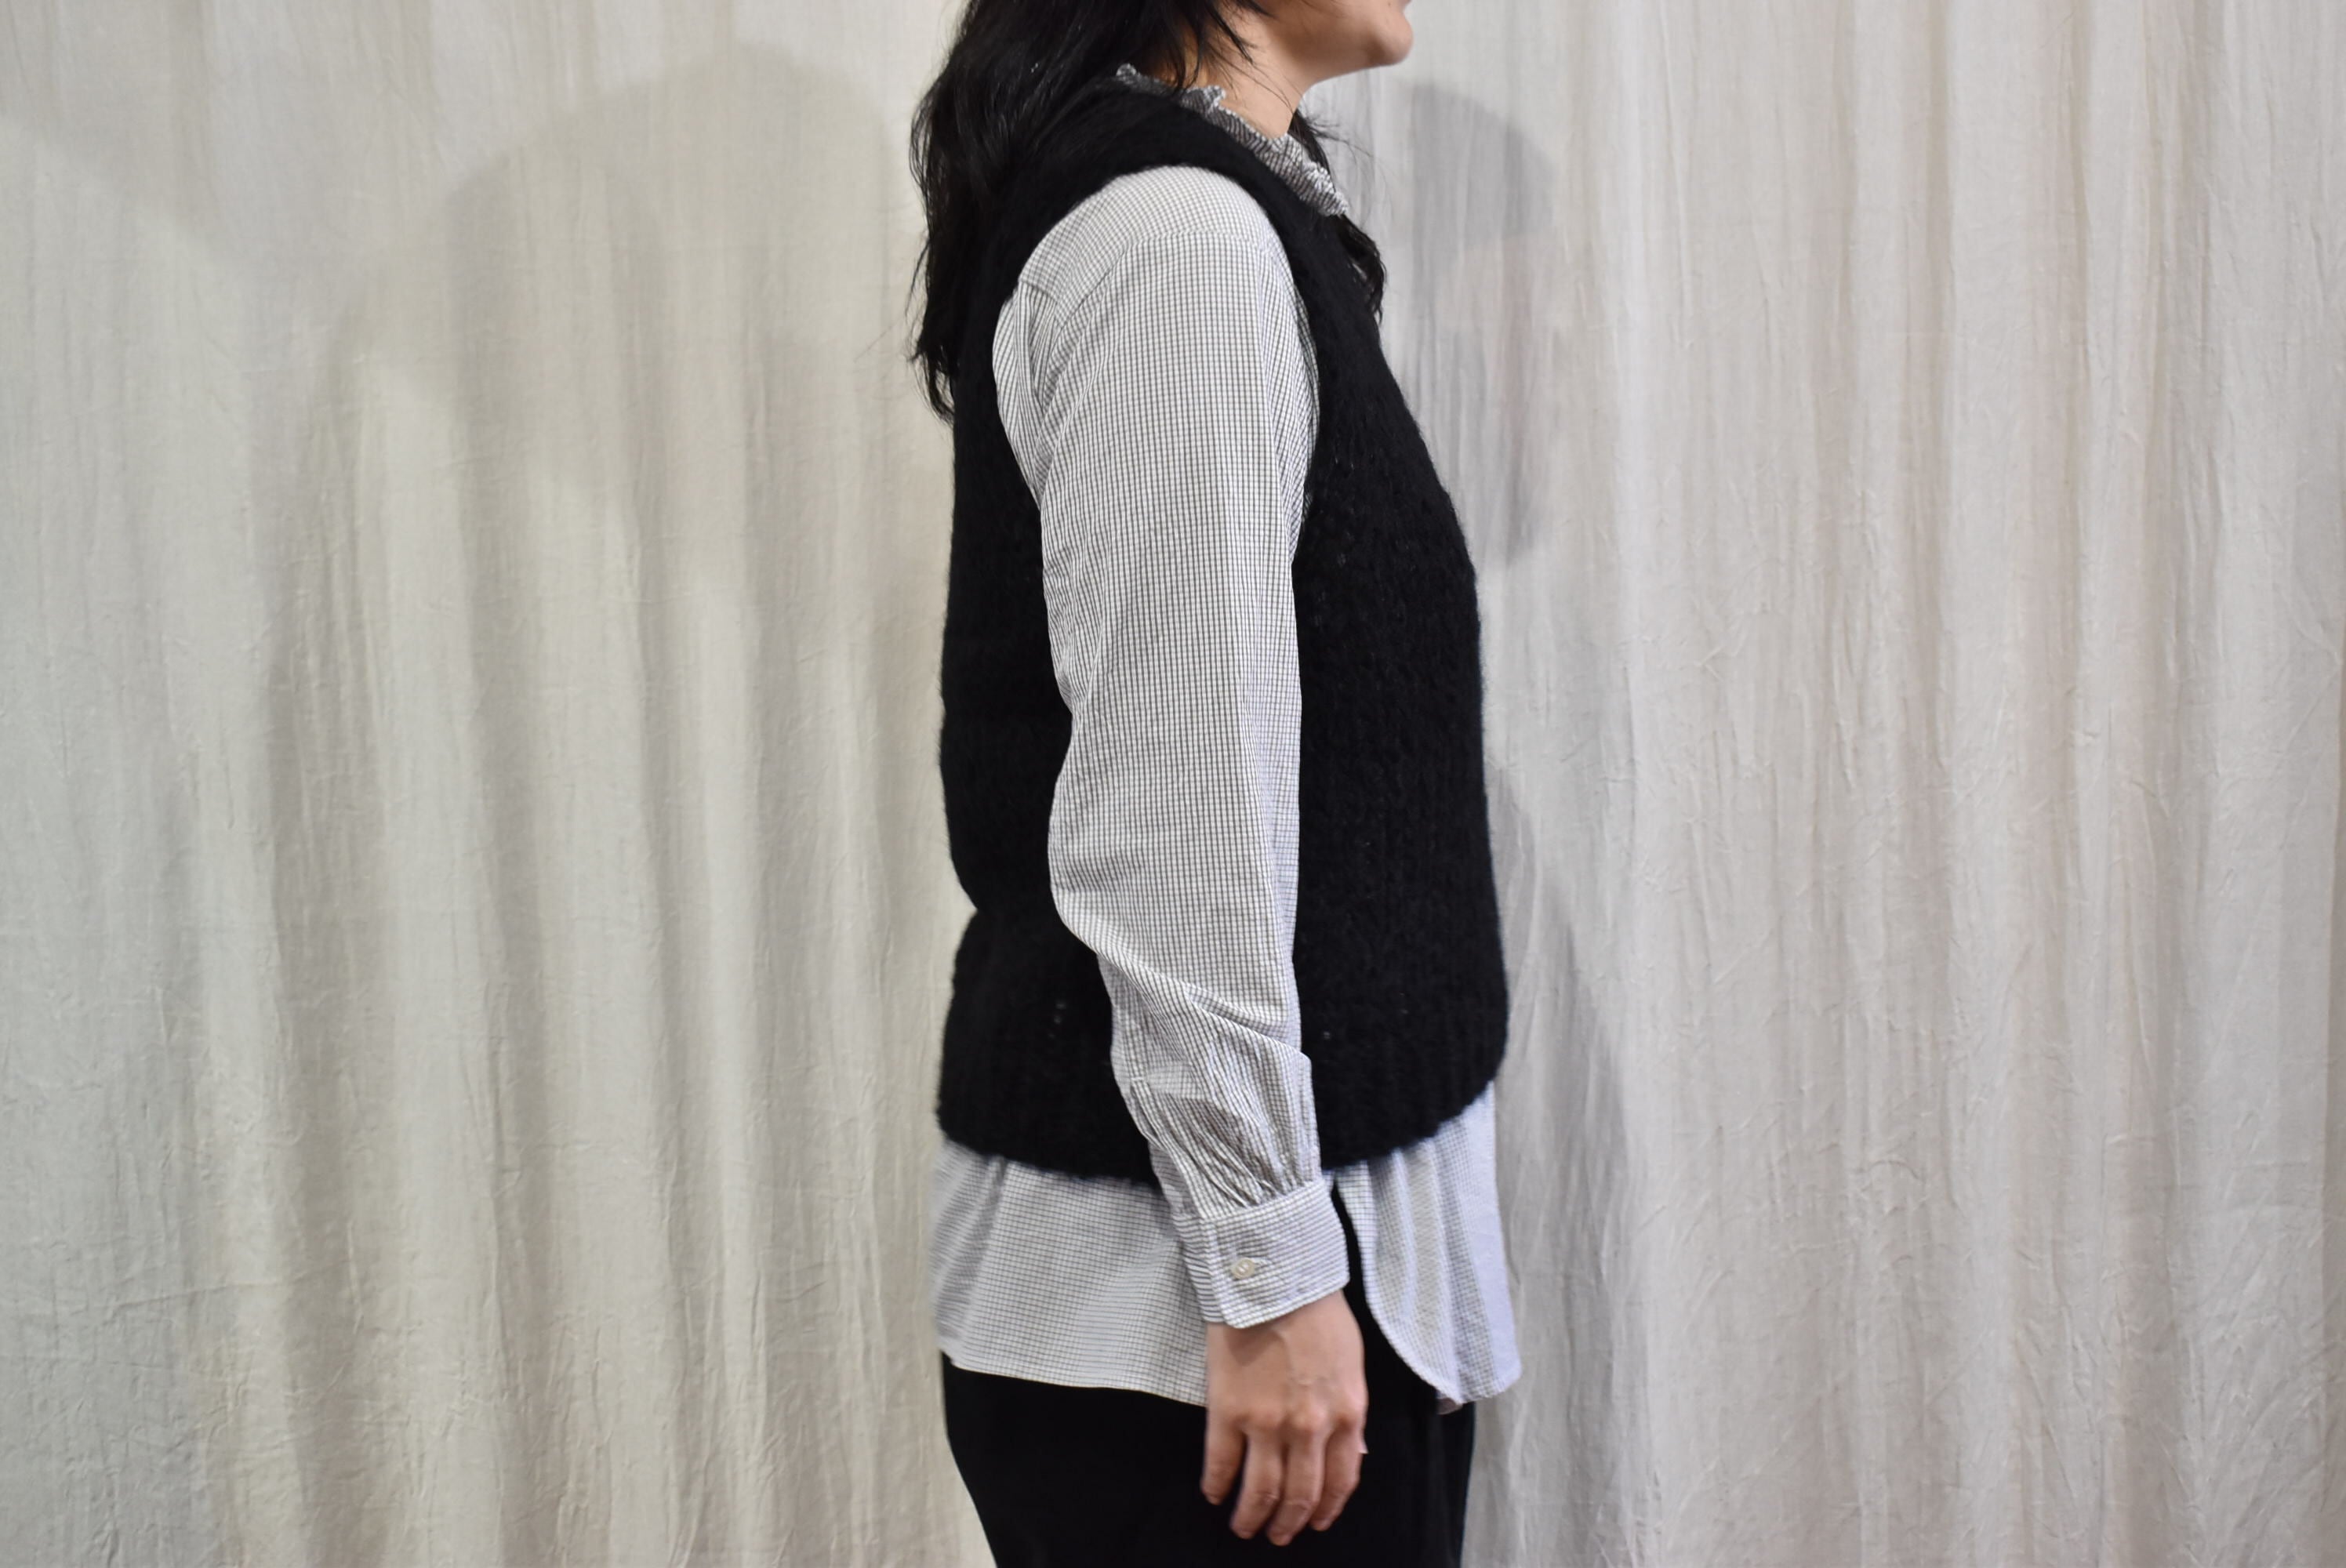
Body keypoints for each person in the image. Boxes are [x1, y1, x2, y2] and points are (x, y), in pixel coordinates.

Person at [905, 2, 1518, 1561]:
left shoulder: (1217, 222)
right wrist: (1267, 1268)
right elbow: (1167, 817)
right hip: (1193, 1339)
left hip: (1245, 1306)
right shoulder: (1178, 243)